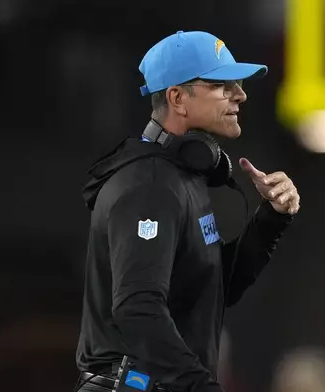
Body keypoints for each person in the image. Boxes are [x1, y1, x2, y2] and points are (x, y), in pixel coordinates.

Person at [74, 30, 300, 392]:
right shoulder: (149, 185)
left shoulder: (180, 177)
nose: (240, 94)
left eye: (237, 84)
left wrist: (270, 220)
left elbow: (212, 290)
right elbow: (138, 308)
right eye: (221, 84)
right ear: (177, 97)